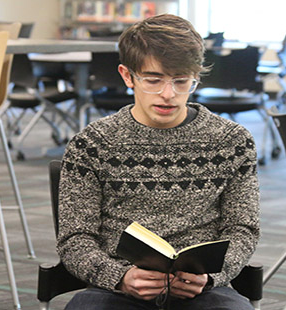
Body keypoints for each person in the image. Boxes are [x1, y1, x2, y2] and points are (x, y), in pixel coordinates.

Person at [57, 13, 260, 310]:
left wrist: (213, 274)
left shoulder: (232, 141)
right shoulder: (92, 144)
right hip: (116, 289)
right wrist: (120, 276)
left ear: (196, 78)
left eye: (181, 82)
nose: (169, 95)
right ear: (127, 76)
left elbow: (243, 229)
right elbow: (75, 238)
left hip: (204, 291)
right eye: (153, 80)